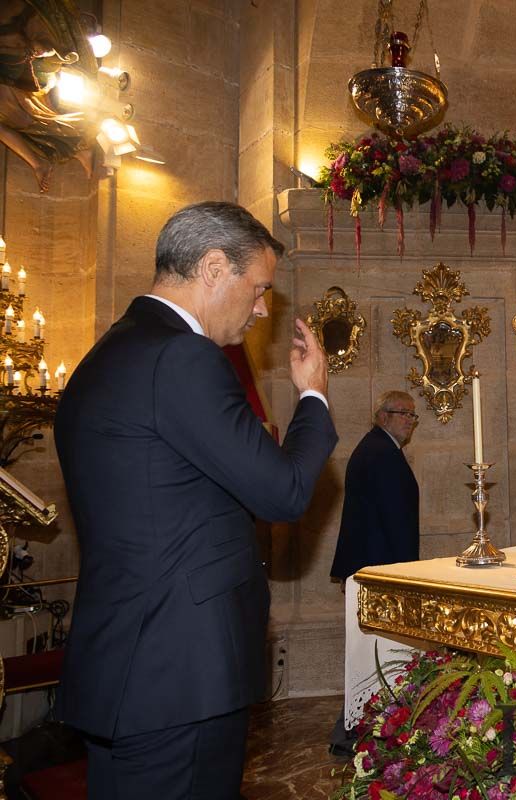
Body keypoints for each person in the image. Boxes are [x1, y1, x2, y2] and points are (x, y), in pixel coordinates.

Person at [53, 202, 338, 799]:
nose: (263, 309)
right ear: (213, 268)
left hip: (135, 669)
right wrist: (313, 397)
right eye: (258, 288)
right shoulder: (183, 357)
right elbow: (284, 491)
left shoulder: (109, 353)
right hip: (177, 674)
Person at [330, 390, 421, 580]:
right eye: (403, 413)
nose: (410, 420)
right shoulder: (382, 452)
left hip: (374, 561)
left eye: (412, 415)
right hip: (380, 564)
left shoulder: (378, 446)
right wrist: (407, 569)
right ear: (383, 417)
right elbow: (394, 517)